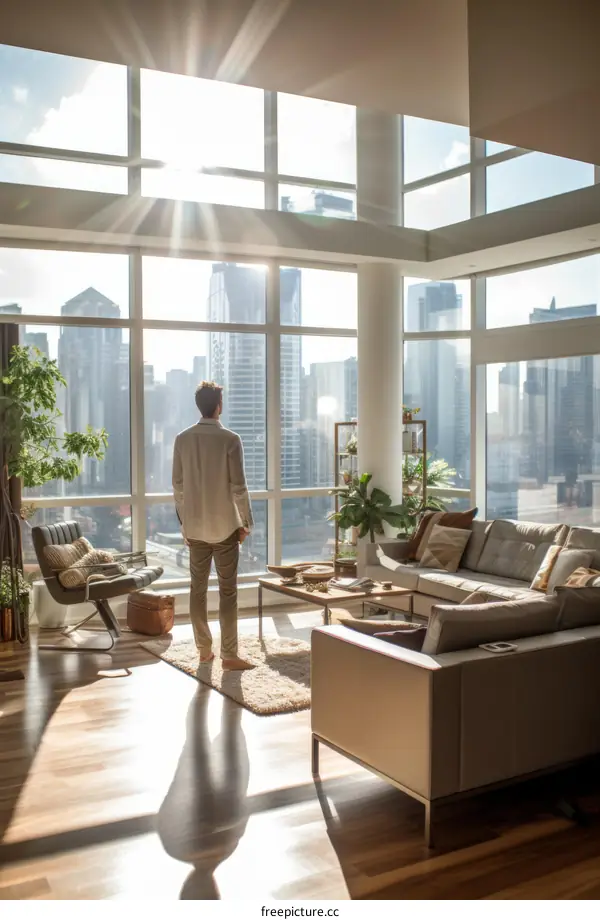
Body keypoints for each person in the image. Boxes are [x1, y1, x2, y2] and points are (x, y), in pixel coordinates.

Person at [172, 381, 255, 670]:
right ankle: (229, 655)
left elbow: (178, 488)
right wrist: (246, 522)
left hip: (194, 529)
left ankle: (204, 651)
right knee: (227, 591)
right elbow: (239, 488)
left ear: (200, 405)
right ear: (219, 405)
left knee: (197, 590)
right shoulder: (230, 439)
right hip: (225, 528)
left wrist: (185, 524)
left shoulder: (182, 439)